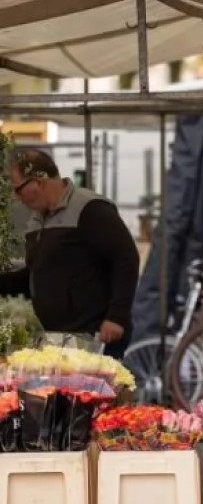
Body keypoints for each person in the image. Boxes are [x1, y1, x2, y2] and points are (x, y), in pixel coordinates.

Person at [0, 149, 140, 358]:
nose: (17, 198)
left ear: (38, 181)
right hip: (60, 338)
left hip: (96, 334)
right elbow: (36, 275)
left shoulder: (89, 209)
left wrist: (116, 317)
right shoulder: (37, 221)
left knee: (93, 390)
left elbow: (126, 258)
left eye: (18, 190)